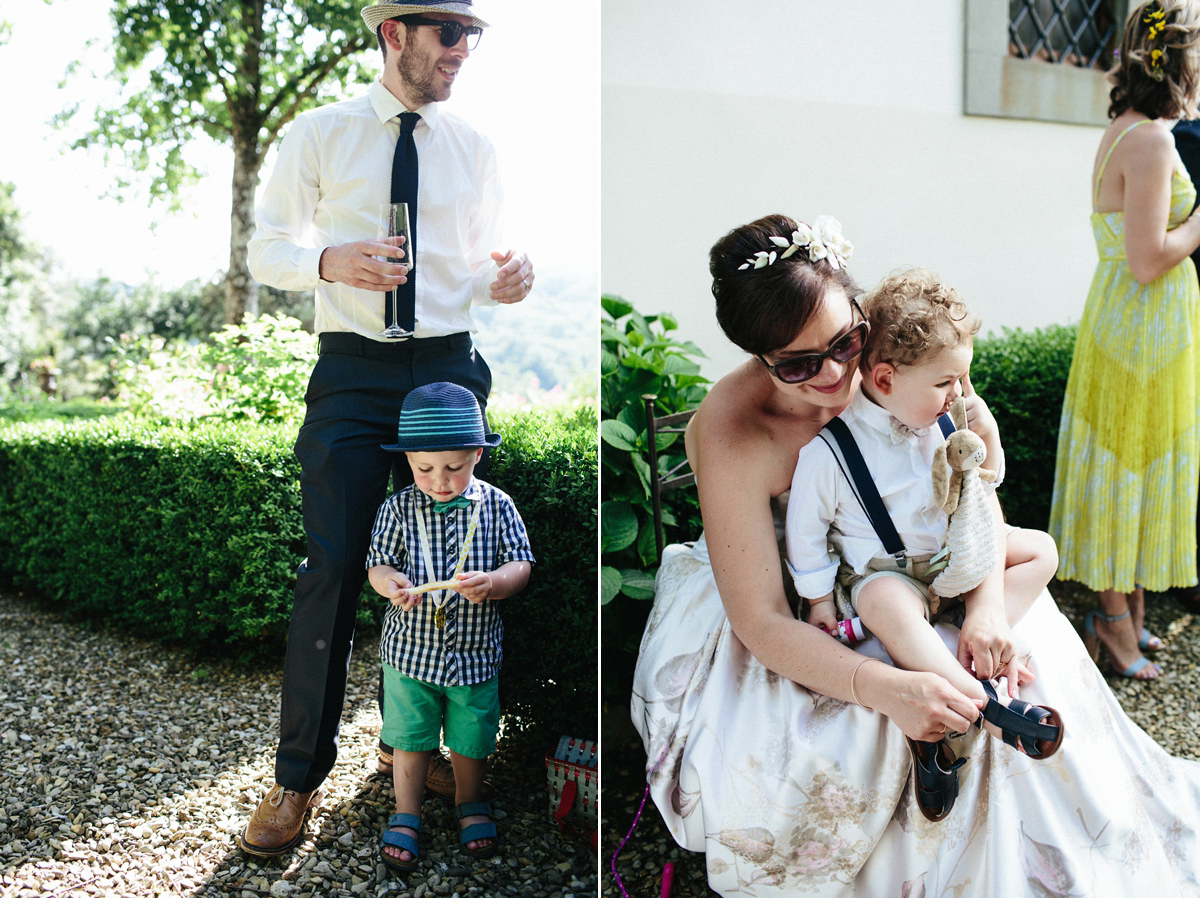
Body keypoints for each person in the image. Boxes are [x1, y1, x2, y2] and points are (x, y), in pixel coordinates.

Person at [631, 212, 1200, 896]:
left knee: (1025, 646)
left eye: (847, 341)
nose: (839, 373)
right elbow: (762, 621)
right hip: (814, 603)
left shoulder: (903, 356)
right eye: (801, 365)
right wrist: (886, 689)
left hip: (930, 561)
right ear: (760, 356)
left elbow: (970, 501)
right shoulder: (733, 428)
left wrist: (987, 606)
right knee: (887, 723)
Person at [237, 0, 535, 857]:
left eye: (472, 35)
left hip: (448, 372)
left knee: (450, 562)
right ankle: (297, 779)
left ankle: (409, 745)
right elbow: (265, 249)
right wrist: (329, 260)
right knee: (332, 565)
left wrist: (509, 276)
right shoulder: (320, 134)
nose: (463, 51)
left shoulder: (474, 148)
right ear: (393, 33)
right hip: (353, 370)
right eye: (449, 33)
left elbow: (480, 268)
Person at [785, 268, 1062, 820]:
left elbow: (984, 490)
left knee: (1041, 550)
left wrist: (987, 438)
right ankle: (981, 700)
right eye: (947, 382)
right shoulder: (829, 452)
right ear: (884, 379)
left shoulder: (945, 418)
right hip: (888, 576)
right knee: (884, 601)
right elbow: (806, 535)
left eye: (963, 379)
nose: (959, 394)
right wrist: (818, 602)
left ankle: (984, 633)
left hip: (952, 564)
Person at [1049, 0, 1200, 681]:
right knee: (1123, 465)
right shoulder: (1151, 140)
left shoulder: (1132, 128)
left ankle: (1127, 612)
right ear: (1178, 57)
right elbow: (1148, 258)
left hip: (1139, 325)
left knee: (1134, 461)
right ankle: (1111, 620)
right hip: (1138, 328)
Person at [364, 382, 533, 869]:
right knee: (410, 739)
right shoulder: (397, 508)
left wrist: (496, 583)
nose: (440, 480)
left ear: (476, 454)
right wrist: (389, 583)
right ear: (410, 461)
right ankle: (406, 812)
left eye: (454, 468)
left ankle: (469, 801)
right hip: (410, 654)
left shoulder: (497, 506)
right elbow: (378, 565)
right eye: (425, 469)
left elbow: (521, 565)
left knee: (471, 738)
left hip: (475, 654)